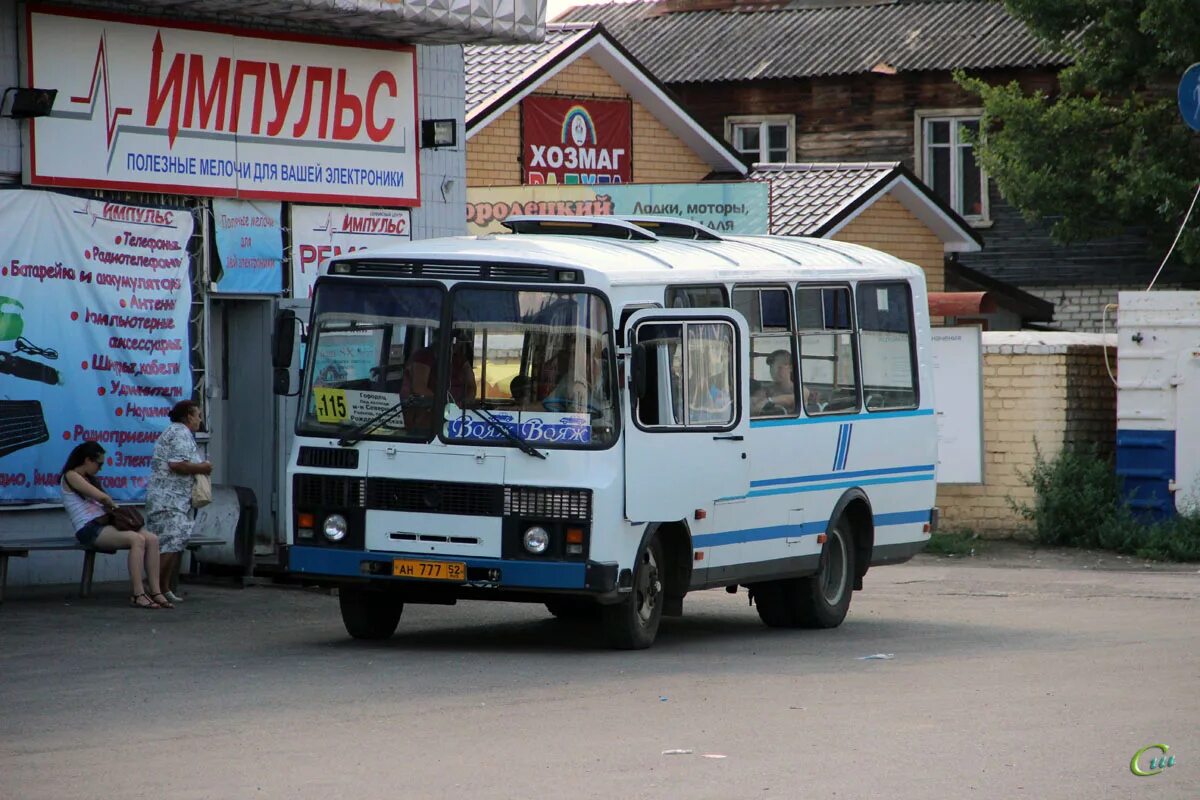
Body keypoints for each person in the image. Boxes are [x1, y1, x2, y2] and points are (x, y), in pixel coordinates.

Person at [60, 440, 171, 609]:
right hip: (89, 528)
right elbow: (102, 498)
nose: (100, 468)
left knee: (152, 539)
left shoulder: (90, 478)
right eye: (99, 464)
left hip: (104, 523)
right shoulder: (71, 475)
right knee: (136, 540)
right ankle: (138, 593)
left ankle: (156, 591)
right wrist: (116, 508)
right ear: (87, 460)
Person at [145, 400, 212, 604]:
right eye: (197, 415)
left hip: (173, 499)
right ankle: (154, 588)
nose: (200, 419)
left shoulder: (179, 433)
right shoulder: (180, 432)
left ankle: (164, 588)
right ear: (187, 417)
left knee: (174, 542)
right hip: (169, 500)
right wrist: (203, 468)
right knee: (171, 542)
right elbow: (176, 464)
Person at [752, 349, 797, 415]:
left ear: (790, 368)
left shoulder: (799, 390)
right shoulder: (767, 390)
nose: (774, 371)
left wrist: (768, 401)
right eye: (772, 367)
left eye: (779, 367)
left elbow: (791, 399)